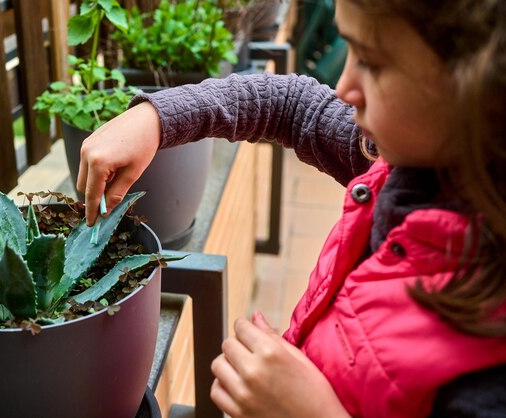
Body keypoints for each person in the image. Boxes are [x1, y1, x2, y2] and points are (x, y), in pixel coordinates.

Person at [77, 0, 506, 416]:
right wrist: (157, 118)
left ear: (478, 87)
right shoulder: (409, 162)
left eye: (373, 63)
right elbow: (290, 105)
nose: (344, 86)